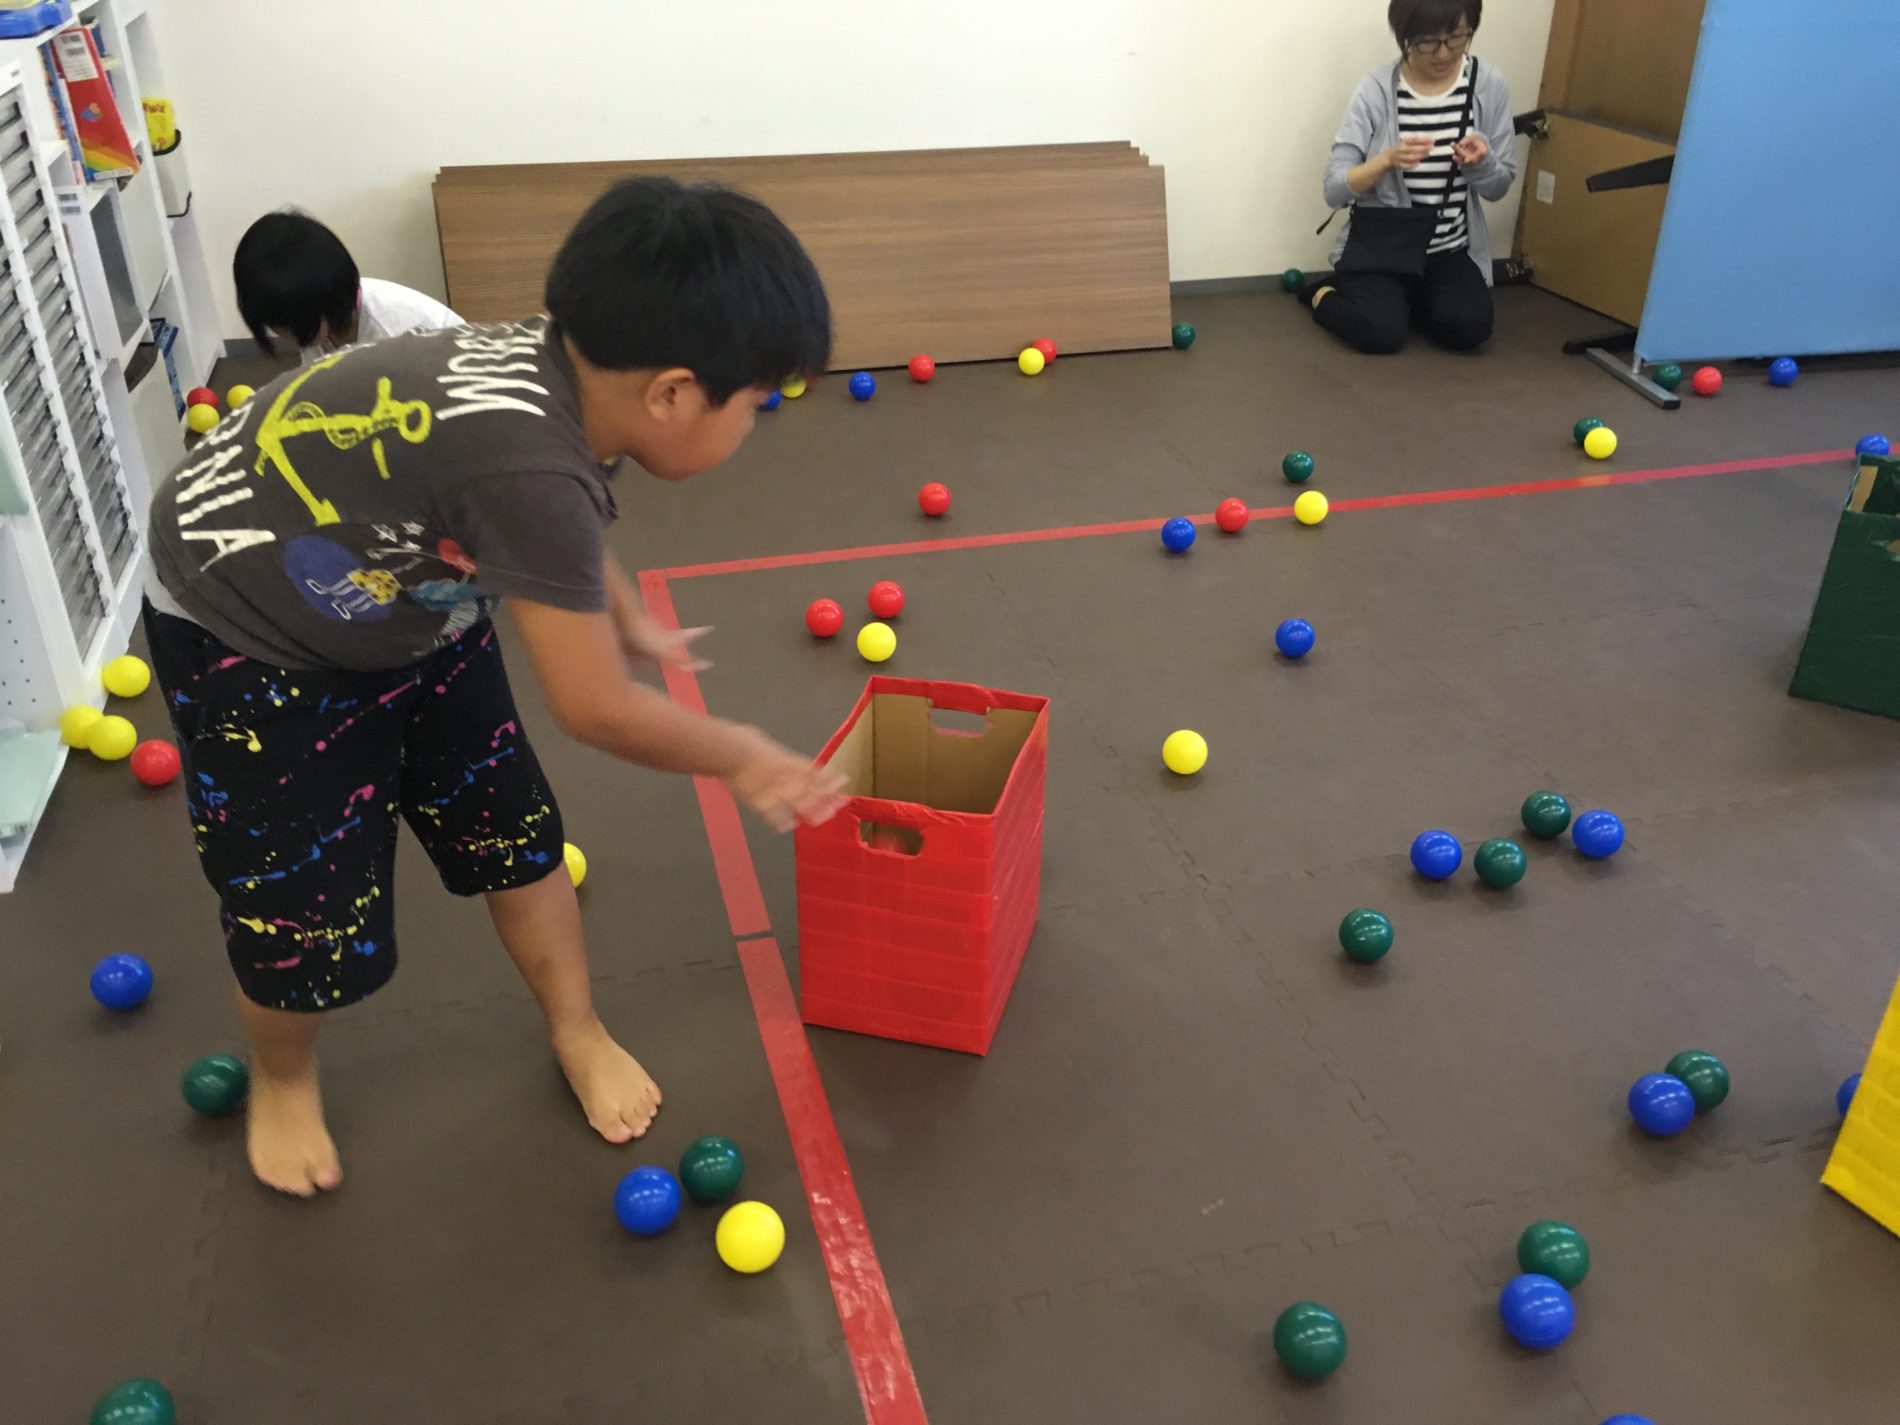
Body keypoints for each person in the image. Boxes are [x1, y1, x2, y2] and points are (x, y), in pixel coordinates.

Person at [145, 179, 844, 1197]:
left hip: (409, 594)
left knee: (514, 831)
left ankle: (576, 1026)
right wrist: (744, 755)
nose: (754, 425)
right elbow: (593, 705)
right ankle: (283, 1079)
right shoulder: (527, 459)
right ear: (672, 394)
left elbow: (555, 516)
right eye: (755, 405)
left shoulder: (557, 371)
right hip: (251, 628)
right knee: (299, 914)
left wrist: (617, 610)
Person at [1307, 0, 1517, 354]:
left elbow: (1499, 187)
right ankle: (1321, 293)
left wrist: (1481, 163)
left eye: (1457, 38)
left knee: (1471, 328)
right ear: (1405, 36)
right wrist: (1386, 160)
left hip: (1446, 250)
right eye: (1428, 42)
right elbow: (1334, 189)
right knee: (1380, 335)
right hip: (1383, 250)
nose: (1444, 53)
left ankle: (1403, 302)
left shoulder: (1488, 83)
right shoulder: (1375, 88)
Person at [233, 209, 462, 362]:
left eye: (295, 325)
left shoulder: (393, 331)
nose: (284, 334)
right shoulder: (317, 323)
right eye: (275, 324)